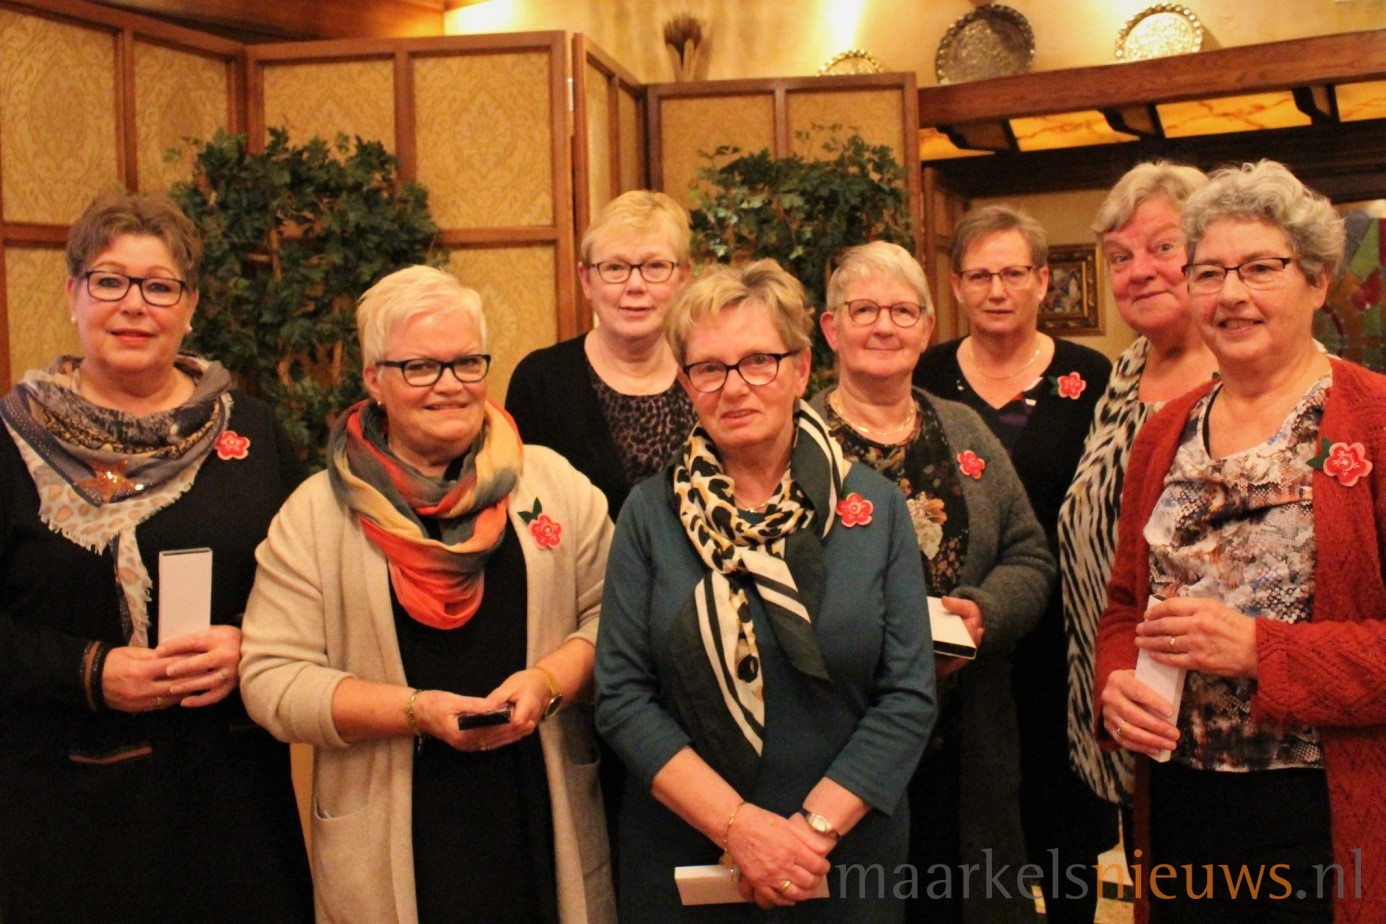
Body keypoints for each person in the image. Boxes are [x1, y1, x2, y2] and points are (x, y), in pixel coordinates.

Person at [239, 265, 615, 923]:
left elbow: (613, 623)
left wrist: (548, 682)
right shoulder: (316, 514)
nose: (450, 385)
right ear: (373, 379)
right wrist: (414, 712)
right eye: (420, 367)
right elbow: (271, 680)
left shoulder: (555, 485)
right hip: (395, 833)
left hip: (537, 813)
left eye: (467, 362)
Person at [0, 193, 312, 921]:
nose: (133, 305)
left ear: (190, 304)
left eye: (159, 286)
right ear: (73, 295)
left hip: (231, 805)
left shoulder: (253, 436)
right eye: (109, 281)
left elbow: (314, 593)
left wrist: (254, 644)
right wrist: (91, 671)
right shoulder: (11, 442)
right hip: (62, 812)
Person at [597, 259, 935, 921]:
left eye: (759, 361)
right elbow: (621, 696)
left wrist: (806, 835)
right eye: (709, 368)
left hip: (840, 857)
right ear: (685, 383)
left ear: (801, 369)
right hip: (687, 857)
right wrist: (741, 829)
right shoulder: (649, 512)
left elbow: (908, 694)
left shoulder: (874, 508)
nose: (735, 387)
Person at [1096, 160, 1386, 922]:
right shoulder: (1165, 432)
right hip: (1178, 801)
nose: (1231, 294)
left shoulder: (1375, 421)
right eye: (1209, 272)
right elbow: (1125, 604)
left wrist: (1264, 651)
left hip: (1322, 815)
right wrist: (1117, 682)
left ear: (1317, 281)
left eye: (1261, 268)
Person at [813, 241, 1054, 923]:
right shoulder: (797, 441)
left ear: (925, 328)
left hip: (966, 738)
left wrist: (984, 612)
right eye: (863, 310)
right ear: (831, 329)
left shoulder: (965, 430)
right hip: (842, 737)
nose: (883, 327)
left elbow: (1030, 556)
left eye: (902, 311)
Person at [913, 204, 1115, 922]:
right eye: (979, 275)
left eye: (1013, 273)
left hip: (1065, 643)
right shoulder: (926, 374)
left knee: (1065, 836)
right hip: (955, 647)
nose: (996, 290)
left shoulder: (1092, 377)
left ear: (1042, 280)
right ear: (956, 287)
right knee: (966, 838)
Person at [1059, 162, 1217, 831]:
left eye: (1162, 247)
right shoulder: (1124, 373)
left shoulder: (1240, 377)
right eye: (1121, 258)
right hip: (1115, 690)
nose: (1139, 271)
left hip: (1207, 719)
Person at [507, 189, 696, 518]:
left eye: (655, 266)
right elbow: (523, 512)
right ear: (586, 281)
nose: (635, 285)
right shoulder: (540, 382)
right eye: (615, 268)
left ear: (683, 277)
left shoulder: (712, 372)